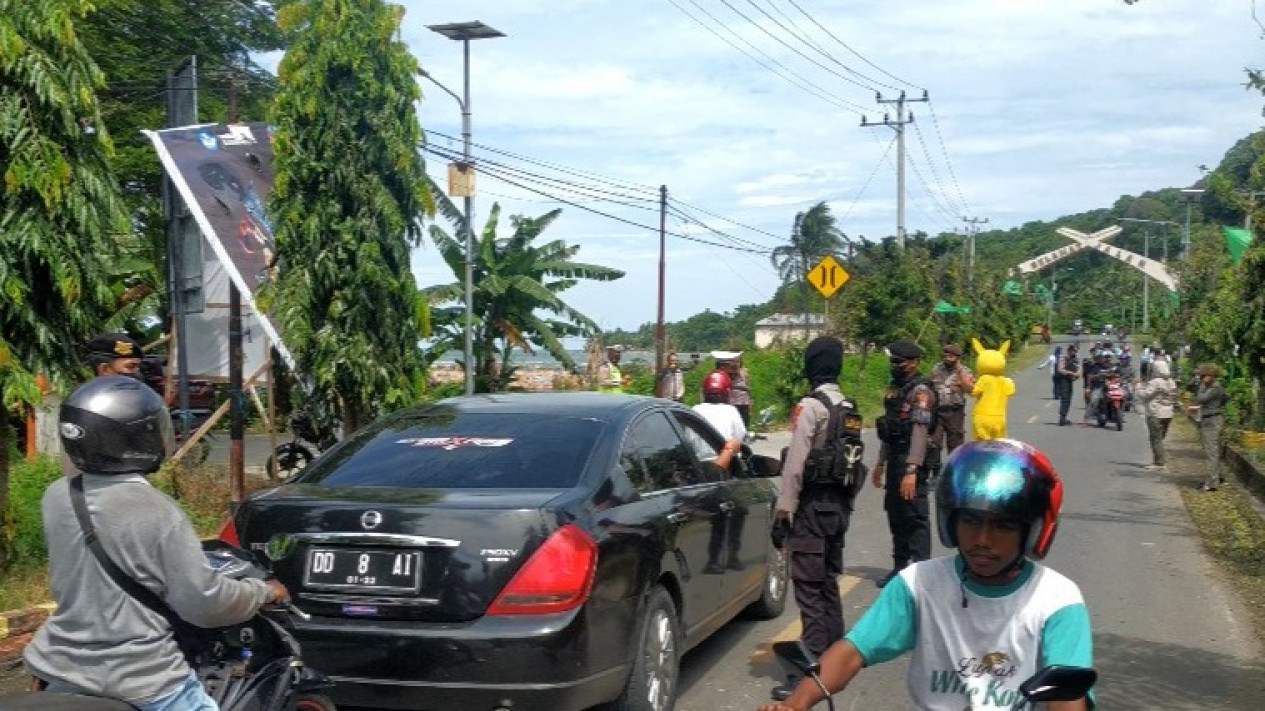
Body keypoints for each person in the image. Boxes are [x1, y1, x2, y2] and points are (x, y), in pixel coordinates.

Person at [760, 439, 1094, 711]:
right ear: (951, 521)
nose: (982, 540)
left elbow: (1066, 698)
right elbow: (854, 650)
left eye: (1003, 527)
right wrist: (797, 702)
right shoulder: (919, 584)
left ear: (1033, 531)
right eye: (970, 522)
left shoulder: (1057, 601)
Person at [25, 375, 290, 710]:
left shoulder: (57, 496)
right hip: (141, 676)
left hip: (58, 667)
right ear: (136, 436)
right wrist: (263, 591)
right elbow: (204, 604)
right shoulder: (157, 510)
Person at [770, 336, 861, 700]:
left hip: (811, 507)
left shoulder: (811, 407)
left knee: (808, 586)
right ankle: (836, 656)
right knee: (827, 583)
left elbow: (795, 464)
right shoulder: (850, 407)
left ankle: (809, 671)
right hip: (838, 508)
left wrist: (784, 510)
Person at [872, 340, 937, 589]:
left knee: (915, 516)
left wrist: (912, 469)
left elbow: (919, 432)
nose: (894, 366)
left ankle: (923, 572)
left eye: (899, 362)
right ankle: (900, 567)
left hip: (914, 460)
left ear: (914, 363)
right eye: (892, 361)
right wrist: (880, 463)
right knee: (895, 513)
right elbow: (890, 430)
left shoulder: (921, 392)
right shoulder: (895, 390)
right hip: (895, 459)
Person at [929, 343, 974, 456]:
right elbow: (929, 385)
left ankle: (954, 469)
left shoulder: (965, 370)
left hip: (955, 411)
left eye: (951, 356)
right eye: (945, 356)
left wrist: (960, 376)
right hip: (938, 410)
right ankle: (936, 469)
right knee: (934, 442)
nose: (947, 359)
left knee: (955, 444)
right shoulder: (936, 368)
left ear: (957, 358)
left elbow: (970, 389)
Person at [1134, 359, 1176, 470]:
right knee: (1160, 437)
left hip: (1156, 412)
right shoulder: (1171, 382)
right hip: (1168, 412)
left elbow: (1145, 395)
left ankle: (1159, 463)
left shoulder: (1155, 382)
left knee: (1155, 438)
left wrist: (1138, 386)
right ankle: (1160, 458)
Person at [1193, 364, 1229, 491]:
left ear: (1211, 376)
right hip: (1212, 417)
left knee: (1211, 451)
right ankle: (1216, 477)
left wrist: (1200, 386)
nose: (1202, 379)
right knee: (1214, 450)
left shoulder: (1214, 389)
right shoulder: (1218, 388)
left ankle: (1211, 482)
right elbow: (1226, 398)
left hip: (1211, 420)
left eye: (1204, 376)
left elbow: (1200, 399)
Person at [693, 370, 747, 444]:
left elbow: (690, 436)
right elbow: (740, 435)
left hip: (699, 454)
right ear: (727, 393)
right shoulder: (731, 411)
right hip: (725, 454)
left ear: (704, 392)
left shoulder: (696, 409)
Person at [725, 354, 754, 427]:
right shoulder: (727, 372)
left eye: (737, 361)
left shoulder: (744, 371)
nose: (735, 363)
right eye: (733, 361)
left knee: (744, 425)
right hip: (731, 403)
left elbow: (748, 387)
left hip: (743, 402)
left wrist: (750, 402)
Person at [1055, 345, 1081, 426]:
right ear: (1069, 351)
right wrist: (1070, 373)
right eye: (1073, 351)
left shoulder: (1076, 359)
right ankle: (1062, 417)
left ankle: (1064, 416)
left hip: (1070, 380)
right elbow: (1060, 369)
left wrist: (1077, 374)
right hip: (1063, 379)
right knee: (1065, 398)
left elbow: (1079, 369)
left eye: (1075, 351)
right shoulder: (1063, 358)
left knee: (1069, 398)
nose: (1074, 352)